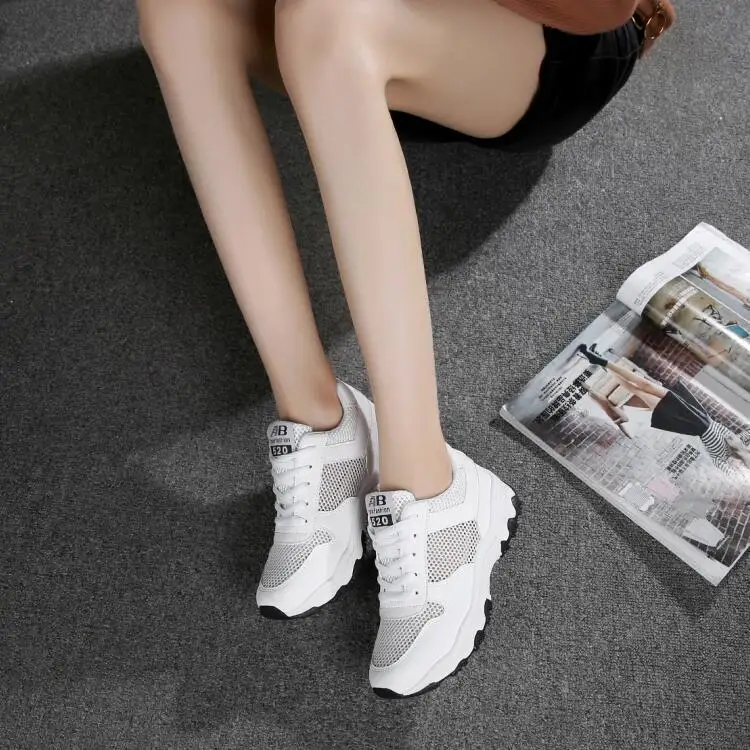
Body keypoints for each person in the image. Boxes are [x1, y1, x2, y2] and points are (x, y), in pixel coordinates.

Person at [136, 0, 676, 698]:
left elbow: (597, 9)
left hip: (550, 46)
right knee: (177, 12)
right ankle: (320, 421)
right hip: (351, 44)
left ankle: (432, 487)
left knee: (329, 18)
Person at [576, 344, 750, 477]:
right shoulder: (740, 442)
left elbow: (730, 473)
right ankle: (600, 360)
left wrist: (739, 465)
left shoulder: (721, 460)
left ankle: (601, 362)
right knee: (645, 384)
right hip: (694, 411)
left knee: (637, 390)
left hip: (685, 421)